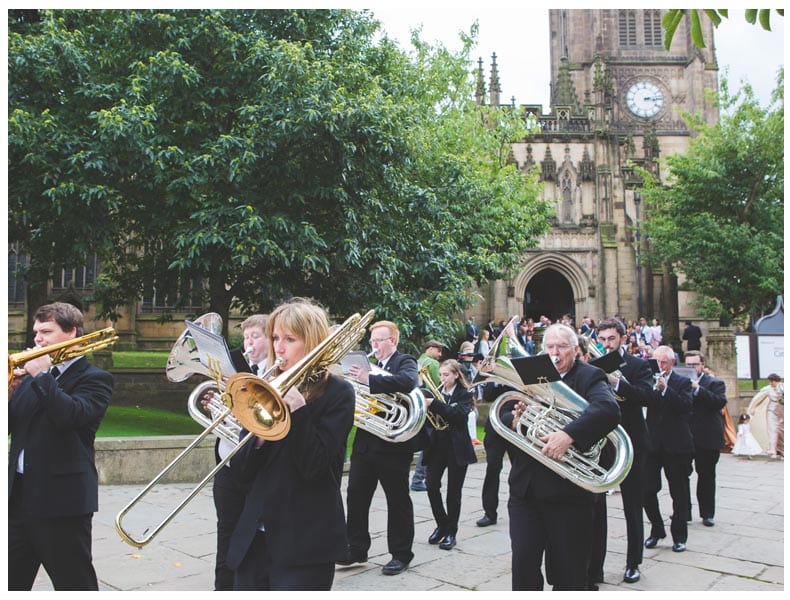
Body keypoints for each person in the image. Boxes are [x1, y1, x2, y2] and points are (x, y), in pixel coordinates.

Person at [225, 298, 355, 590]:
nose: (279, 348)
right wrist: (257, 438)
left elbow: (316, 467)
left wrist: (298, 412)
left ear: (313, 343)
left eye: (289, 339)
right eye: (275, 338)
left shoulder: (339, 393)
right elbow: (241, 474)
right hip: (254, 539)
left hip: (303, 542)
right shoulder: (267, 386)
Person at [503, 323, 621, 590]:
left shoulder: (590, 375)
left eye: (562, 347)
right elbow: (503, 409)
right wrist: (516, 419)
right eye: (550, 347)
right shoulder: (532, 372)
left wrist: (568, 434)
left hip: (568, 493)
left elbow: (608, 410)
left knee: (568, 573)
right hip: (526, 489)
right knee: (523, 565)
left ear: (576, 350)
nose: (555, 353)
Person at [8, 302, 114, 590]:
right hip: (18, 499)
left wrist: (43, 377)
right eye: (36, 332)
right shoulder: (30, 380)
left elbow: (70, 416)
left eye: (46, 331)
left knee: (74, 585)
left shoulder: (95, 379)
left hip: (62, 504)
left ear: (71, 332)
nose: (37, 339)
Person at [341, 320, 421, 576]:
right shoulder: (366, 365)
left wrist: (370, 378)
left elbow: (408, 382)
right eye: (372, 341)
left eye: (379, 341)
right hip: (366, 443)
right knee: (356, 497)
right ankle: (357, 549)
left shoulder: (404, 361)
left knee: (397, 500)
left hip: (393, 446)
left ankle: (401, 554)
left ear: (393, 341)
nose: (374, 346)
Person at [593, 318, 654, 585]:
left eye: (611, 339)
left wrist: (617, 383)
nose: (606, 344)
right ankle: (596, 566)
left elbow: (647, 397)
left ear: (622, 338)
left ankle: (633, 563)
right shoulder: (593, 367)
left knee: (632, 506)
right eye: (603, 339)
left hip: (633, 444)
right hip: (604, 444)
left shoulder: (639, 365)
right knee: (596, 508)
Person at [211, 314, 268, 590]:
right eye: (246, 337)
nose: (249, 342)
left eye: (255, 336)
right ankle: (221, 588)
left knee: (248, 538)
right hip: (226, 464)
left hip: (253, 468)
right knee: (225, 531)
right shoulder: (237, 375)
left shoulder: (270, 378)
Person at [643, 345, 694, 553]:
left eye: (663, 362)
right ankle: (656, 529)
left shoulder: (682, 382)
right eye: (656, 362)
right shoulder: (648, 381)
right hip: (653, 444)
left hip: (677, 445)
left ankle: (679, 536)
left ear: (672, 362)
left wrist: (666, 389)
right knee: (647, 490)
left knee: (679, 493)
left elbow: (686, 406)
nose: (660, 366)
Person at [423, 359, 478, 550]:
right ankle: (441, 524)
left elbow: (458, 416)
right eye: (441, 374)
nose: (442, 378)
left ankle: (451, 532)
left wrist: (435, 404)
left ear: (456, 375)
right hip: (437, 446)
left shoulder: (464, 394)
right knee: (431, 485)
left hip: (457, 448)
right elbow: (429, 421)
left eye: (446, 375)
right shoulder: (433, 393)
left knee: (453, 493)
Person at [686, 351, 728, 527]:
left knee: (706, 477)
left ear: (702, 364)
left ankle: (707, 513)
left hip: (707, 437)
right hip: (685, 436)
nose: (691, 368)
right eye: (688, 365)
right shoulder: (678, 383)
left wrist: (698, 389)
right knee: (680, 477)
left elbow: (719, 402)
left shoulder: (714, 383)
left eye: (694, 364)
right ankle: (683, 512)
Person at [412, 340, 444, 492]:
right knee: (430, 445)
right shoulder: (432, 363)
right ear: (430, 349)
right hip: (431, 406)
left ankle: (421, 478)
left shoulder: (417, 361)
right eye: (438, 351)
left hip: (419, 405)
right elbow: (439, 384)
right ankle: (419, 479)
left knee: (427, 443)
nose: (440, 355)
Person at [748, 373, 784, 459]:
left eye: (773, 381)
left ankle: (782, 449)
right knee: (772, 429)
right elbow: (760, 398)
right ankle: (772, 449)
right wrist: (753, 408)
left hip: (783, 411)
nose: (771, 383)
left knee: (782, 430)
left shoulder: (783, 387)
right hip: (772, 411)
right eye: (770, 381)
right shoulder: (768, 389)